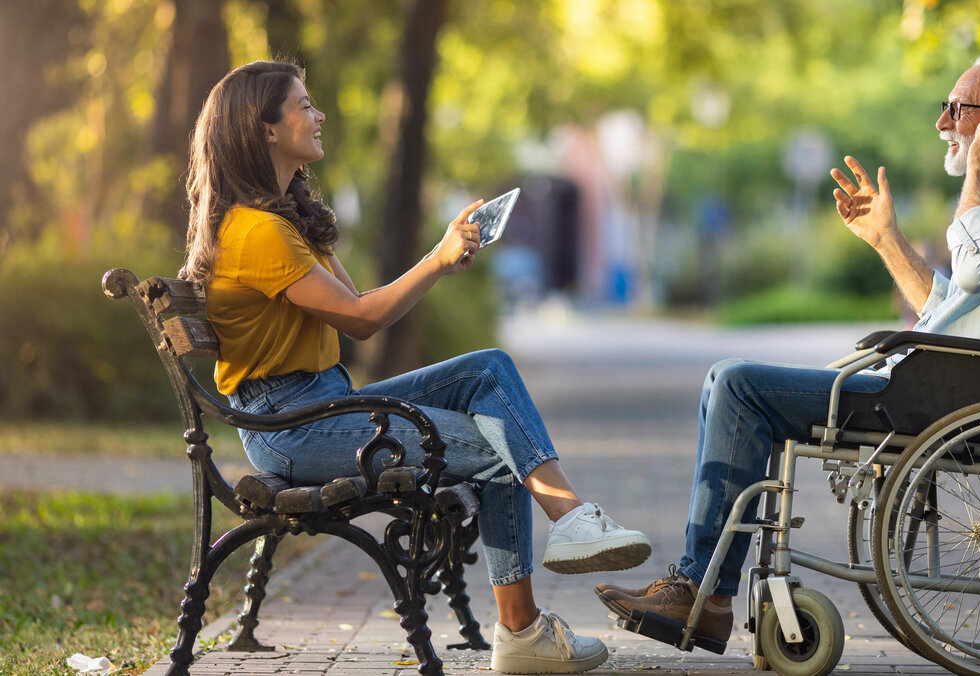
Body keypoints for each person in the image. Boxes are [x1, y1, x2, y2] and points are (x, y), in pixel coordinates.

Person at [594, 53, 980, 646]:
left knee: (737, 384)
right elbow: (947, 310)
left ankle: (705, 592)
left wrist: (979, 177)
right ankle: (702, 589)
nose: (943, 124)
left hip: (962, 402)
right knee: (723, 380)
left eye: (959, 110)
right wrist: (887, 239)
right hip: (937, 383)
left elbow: (978, 267)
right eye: (946, 108)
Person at [180, 60, 651, 675]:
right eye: (303, 106)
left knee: (489, 372)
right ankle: (527, 624)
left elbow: (360, 308)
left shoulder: (280, 222)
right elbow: (361, 319)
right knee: (502, 442)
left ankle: (568, 534)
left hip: (320, 403)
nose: (318, 116)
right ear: (264, 129)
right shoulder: (256, 233)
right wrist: (437, 256)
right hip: (292, 428)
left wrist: (439, 257)